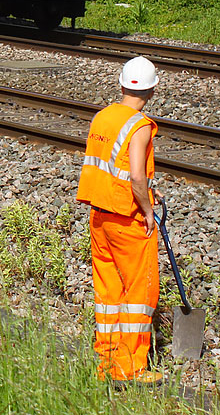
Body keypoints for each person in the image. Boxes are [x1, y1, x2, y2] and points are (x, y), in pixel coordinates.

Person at [75, 56, 163, 385]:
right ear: (152, 89)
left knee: (108, 291)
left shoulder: (103, 117)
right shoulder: (139, 126)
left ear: (122, 83)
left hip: (98, 215)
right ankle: (129, 368)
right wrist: (149, 210)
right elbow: (137, 178)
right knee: (139, 292)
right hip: (127, 218)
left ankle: (107, 360)